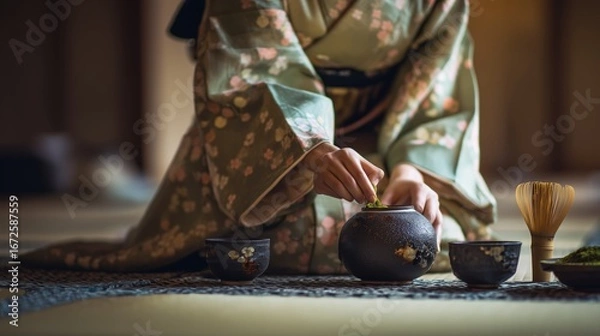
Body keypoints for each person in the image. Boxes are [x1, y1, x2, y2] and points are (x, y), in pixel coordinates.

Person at [23, 0, 497, 274]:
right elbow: (251, 69)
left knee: (432, 237)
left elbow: (437, 83)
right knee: (252, 244)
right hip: (268, 146)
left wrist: (411, 168)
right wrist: (310, 152)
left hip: (384, 144)